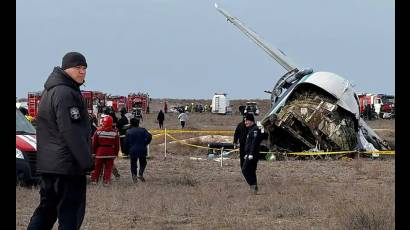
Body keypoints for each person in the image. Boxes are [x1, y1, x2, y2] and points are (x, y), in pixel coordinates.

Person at [27, 52, 94, 230]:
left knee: (47, 210)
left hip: (50, 165)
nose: (82, 72)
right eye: (78, 68)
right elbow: (71, 131)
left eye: (84, 68)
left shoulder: (51, 90)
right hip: (67, 166)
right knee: (70, 214)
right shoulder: (66, 93)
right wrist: (86, 162)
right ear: (66, 69)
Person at [91, 116, 120, 186]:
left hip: (100, 152)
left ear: (103, 122)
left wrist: (94, 152)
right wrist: (115, 154)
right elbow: (117, 145)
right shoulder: (115, 133)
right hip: (110, 153)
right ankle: (106, 181)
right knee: (108, 168)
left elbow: (94, 143)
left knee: (97, 167)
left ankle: (95, 180)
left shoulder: (98, 132)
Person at [124, 118, 152, 183]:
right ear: (138, 123)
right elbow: (150, 136)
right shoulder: (143, 130)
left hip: (132, 150)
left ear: (131, 123)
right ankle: (140, 173)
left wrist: (126, 151)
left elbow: (125, 142)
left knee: (133, 163)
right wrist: (146, 143)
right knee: (143, 162)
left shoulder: (128, 131)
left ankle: (134, 175)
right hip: (142, 148)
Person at [241, 113, 263, 194]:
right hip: (250, 154)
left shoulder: (255, 130)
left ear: (251, 121)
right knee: (251, 171)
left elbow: (254, 143)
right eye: (245, 121)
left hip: (253, 154)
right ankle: (254, 189)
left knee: (245, 170)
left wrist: (251, 154)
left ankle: (253, 185)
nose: (245, 122)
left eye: (247, 121)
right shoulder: (251, 129)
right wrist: (247, 153)